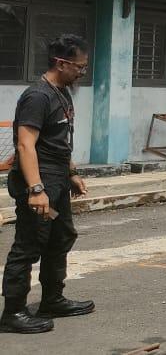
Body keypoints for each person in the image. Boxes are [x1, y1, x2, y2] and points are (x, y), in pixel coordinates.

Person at [2, 34, 94, 334]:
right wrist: (36, 190)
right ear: (61, 63)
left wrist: (71, 173)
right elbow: (26, 145)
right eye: (79, 66)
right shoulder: (37, 97)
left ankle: (52, 300)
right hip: (39, 184)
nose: (82, 72)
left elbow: (59, 141)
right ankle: (13, 312)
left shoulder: (62, 93)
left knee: (60, 237)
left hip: (57, 183)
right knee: (29, 245)